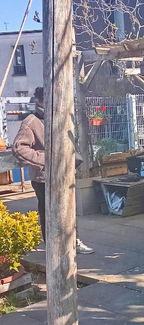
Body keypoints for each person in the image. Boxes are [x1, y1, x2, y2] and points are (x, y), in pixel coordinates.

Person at [13, 87, 95, 254]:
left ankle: (73, 241)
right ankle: (52, 246)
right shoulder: (31, 121)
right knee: (48, 211)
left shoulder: (59, 117)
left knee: (69, 209)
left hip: (64, 173)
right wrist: (47, 159)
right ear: (40, 101)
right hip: (43, 177)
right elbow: (19, 148)